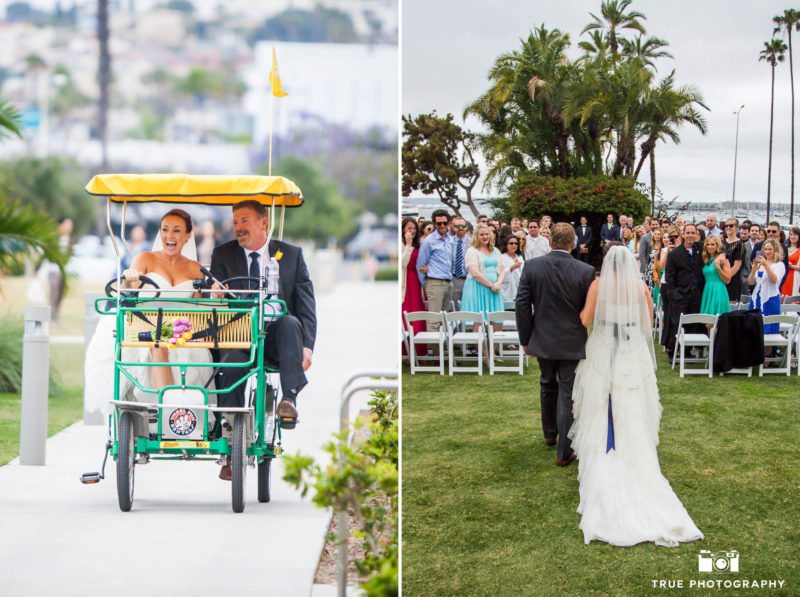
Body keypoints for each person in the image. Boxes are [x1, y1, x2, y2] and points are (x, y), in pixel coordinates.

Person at [569, 246, 703, 547]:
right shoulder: (640, 286)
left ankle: (603, 455)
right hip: (632, 351)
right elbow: (648, 321)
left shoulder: (598, 285)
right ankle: (633, 449)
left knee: (600, 401)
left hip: (603, 350)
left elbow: (585, 320)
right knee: (631, 401)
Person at [210, 200, 316, 470]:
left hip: (277, 336)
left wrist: (307, 347)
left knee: (291, 321)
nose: (238, 228)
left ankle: (288, 400)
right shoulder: (223, 255)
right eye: (235, 222)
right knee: (232, 360)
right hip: (239, 333)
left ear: (263, 222)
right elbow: (216, 302)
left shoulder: (291, 254)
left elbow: (306, 305)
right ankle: (231, 428)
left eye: (244, 221)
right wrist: (218, 296)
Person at [84, 209, 215, 418]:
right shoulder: (146, 258)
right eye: (165, 230)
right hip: (145, 328)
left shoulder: (196, 269)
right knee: (158, 342)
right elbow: (129, 289)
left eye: (176, 230)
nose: (169, 236)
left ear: (187, 235)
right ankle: (171, 411)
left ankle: (183, 413)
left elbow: (199, 309)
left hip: (183, 331)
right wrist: (129, 278)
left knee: (181, 345)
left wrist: (216, 293)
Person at [515, 223, 595, 466]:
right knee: (567, 392)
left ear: (550, 242)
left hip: (543, 338)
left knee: (547, 384)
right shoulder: (585, 270)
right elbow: (587, 309)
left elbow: (521, 305)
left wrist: (526, 339)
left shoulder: (532, 266)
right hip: (571, 338)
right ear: (572, 243)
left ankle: (550, 433)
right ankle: (564, 451)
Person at [662, 224, 704, 360]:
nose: (690, 235)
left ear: (696, 235)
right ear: (683, 234)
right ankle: (673, 350)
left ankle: (686, 351)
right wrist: (673, 293)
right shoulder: (674, 254)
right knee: (676, 324)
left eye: (693, 232)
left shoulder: (701, 250)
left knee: (692, 323)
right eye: (688, 233)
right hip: (680, 294)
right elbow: (669, 276)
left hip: (696, 294)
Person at [461, 223, 505, 328]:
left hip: (494, 290)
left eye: (487, 234)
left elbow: (502, 269)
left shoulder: (496, 250)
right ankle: (479, 345)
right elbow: (475, 273)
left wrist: (498, 283)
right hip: (477, 289)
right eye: (481, 235)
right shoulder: (472, 251)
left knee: (497, 321)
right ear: (476, 236)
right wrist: (491, 285)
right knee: (479, 322)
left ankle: (494, 344)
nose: (485, 237)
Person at [417, 209, 454, 328]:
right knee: (434, 322)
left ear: (448, 223)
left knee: (444, 321)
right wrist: (427, 284)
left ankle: (443, 347)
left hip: (448, 283)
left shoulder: (450, 239)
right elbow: (420, 265)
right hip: (434, 283)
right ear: (434, 224)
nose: (442, 225)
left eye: (444, 223)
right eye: (439, 223)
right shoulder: (428, 241)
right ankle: (435, 347)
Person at [748, 239, 786, 334]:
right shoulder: (760, 263)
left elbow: (774, 280)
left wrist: (766, 265)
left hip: (770, 299)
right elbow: (750, 282)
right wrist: (753, 270)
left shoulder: (779, 265)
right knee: (753, 329)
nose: (767, 252)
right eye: (765, 249)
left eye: (770, 249)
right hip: (756, 298)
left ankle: (769, 349)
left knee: (768, 330)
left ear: (775, 250)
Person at [402, 217, 426, 356]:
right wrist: (408, 245)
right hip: (406, 283)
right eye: (409, 228)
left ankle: (420, 351)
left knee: (418, 316)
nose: (412, 231)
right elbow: (403, 263)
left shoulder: (421, 245)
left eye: (414, 228)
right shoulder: (402, 244)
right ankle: (406, 351)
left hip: (417, 283)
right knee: (406, 316)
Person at [699, 235, 731, 318]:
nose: (710, 247)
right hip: (707, 290)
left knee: (714, 321)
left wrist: (718, 268)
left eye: (712, 244)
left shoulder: (723, 259)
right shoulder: (706, 259)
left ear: (717, 245)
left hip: (718, 290)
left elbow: (728, 280)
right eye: (708, 244)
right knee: (706, 320)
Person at [450, 216, 470, 306]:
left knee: (469, 307)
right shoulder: (448, 242)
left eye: (463, 225)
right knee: (455, 308)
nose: (460, 228)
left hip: (469, 279)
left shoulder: (473, 242)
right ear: (453, 228)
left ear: (466, 227)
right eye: (457, 226)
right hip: (454, 279)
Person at [499, 234, 523, 302]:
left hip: (519, 289)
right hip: (507, 290)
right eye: (511, 243)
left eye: (516, 243)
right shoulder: (501, 257)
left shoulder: (519, 257)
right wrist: (511, 268)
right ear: (506, 244)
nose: (514, 245)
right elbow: (500, 274)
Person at [781, 226, 800, 297]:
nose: (792, 237)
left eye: (795, 235)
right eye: (791, 234)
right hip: (784, 275)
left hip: (795, 277)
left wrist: (790, 266)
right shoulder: (784, 248)